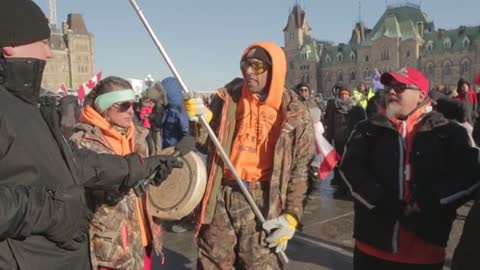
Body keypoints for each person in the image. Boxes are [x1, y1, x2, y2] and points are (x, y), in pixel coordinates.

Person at [0, 1, 179, 269]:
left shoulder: (28, 104)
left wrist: (140, 167)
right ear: (11, 43)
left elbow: (76, 162)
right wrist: (53, 210)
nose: (49, 53)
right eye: (42, 42)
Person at [184, 42, 314, 269]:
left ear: (274, 69)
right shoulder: (227, 99)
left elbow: (300, 170)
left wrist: (291, 215)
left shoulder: (296, 114)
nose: (249, 71)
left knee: (260, 263)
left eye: (257, 66)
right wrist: (198, 120)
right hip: (222, 191)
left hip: (263, 198)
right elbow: (205, 144)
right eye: (245, 65)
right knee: (212, 260)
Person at [340, 67, 480, 270]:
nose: (391, 92)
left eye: (400, 87)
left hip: (424, 253)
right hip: (371, 248)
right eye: (388, 87)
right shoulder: (367, 129)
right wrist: (382, 201)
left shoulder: (449, 132)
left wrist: (431, 201)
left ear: (421, 95)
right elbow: (349, 171)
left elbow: (471, 176)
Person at [71, 76, 174, 270]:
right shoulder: (83, 142)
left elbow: (143, 187)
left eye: (134, 105)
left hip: (142, 237)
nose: (131, 111)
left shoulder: (139, 136)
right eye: (124, 105)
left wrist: (156, 176)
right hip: (111, 245)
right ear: (105, 107)